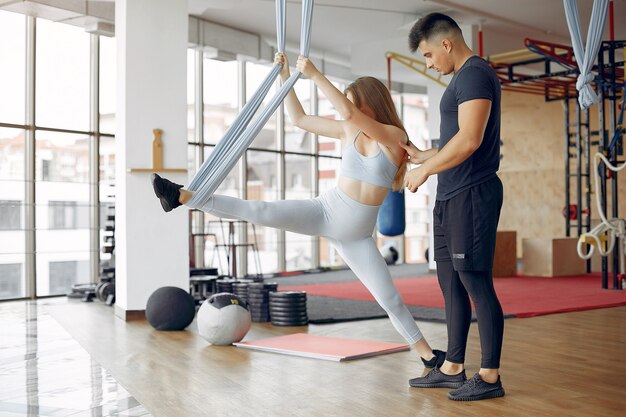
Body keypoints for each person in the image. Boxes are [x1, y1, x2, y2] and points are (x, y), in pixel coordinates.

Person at [151, 52, 445, 369]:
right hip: (325, 209)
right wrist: (286, 76)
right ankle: (183, 197)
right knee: (259, 210)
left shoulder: (395, 138)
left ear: (371, 103)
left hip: (357, 237)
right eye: (349, 104)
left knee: (390, 299)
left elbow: (347, 112)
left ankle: (428, 356)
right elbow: (300, 119)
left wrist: (316, 75)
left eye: (355, 104)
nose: (349, 111)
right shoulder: (347, 130)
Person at [401, 13, 505, 401]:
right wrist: (423, 156)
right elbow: (454, 143)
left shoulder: (475, 74)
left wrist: (426, 169)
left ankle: (490, 376)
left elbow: (471, 140)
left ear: (446, 43)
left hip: (472, 194)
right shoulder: (462, 79)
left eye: (428, 55)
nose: (429, 64)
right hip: (450, 195)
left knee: (476, 281)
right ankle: (452, 367)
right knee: (451, 283)